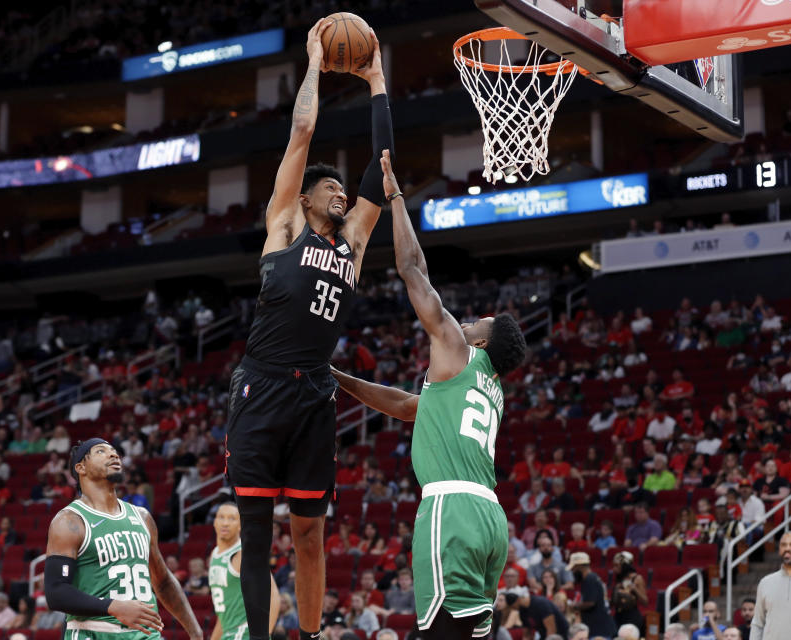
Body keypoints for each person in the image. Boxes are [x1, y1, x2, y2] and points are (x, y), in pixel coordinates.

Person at [223, 22, 392, 640]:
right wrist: (317, 62)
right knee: (258, 528)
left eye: (345, 188)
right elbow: (301, 133)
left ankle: (313, 635)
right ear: (308, 198)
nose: (342, 192)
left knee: (310, 534)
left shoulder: (352, 243)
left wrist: (376, 81)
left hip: (313, 392)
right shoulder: (285, 228)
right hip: (261, 387)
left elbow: (383, 165)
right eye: (331, 186)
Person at [330, 150, 526, 639]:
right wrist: (338, 377)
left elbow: (413, 269)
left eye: (479, 320)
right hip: (491, 520)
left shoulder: (458, 349)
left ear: (480, 340)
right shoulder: (490, 389)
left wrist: (396, 196)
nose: (469, 318)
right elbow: (404, 407)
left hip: (451, 512)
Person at [43, 439, 204, 640]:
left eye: (115, 451)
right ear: (80, 467)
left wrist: (195, 632)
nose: (113, 455)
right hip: (94, 632)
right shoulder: (70, 521)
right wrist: (113, 606)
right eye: (101, 451)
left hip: (146, 635)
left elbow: (162, 581)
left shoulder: (142, 517)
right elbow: (56, 592)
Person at [209, 502, 279, 640]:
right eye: (221, 517)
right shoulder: (214, 554)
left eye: (232, 518)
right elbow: (223, 613)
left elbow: (273, 595)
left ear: (240, 524)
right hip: (228, 633)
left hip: (245, 633)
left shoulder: (243, 554)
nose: (225, 523)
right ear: (214, 522)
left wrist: (265, 635)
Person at [566, 552, 617, 639]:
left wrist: (573, 606)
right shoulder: (593, 577)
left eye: (574, 568)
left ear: (580, 566)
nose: (573, 571)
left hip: (599, 629)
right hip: (601, 626)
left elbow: (590, 603)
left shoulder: (589, 579)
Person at [611, 551, 647, 635]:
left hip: (632, 617)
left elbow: (645, 601)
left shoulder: (637, 578)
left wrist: (634, 589)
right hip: (618, 616)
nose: (614, 569)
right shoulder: (619, 579)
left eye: (617, 566)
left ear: (624, 565)